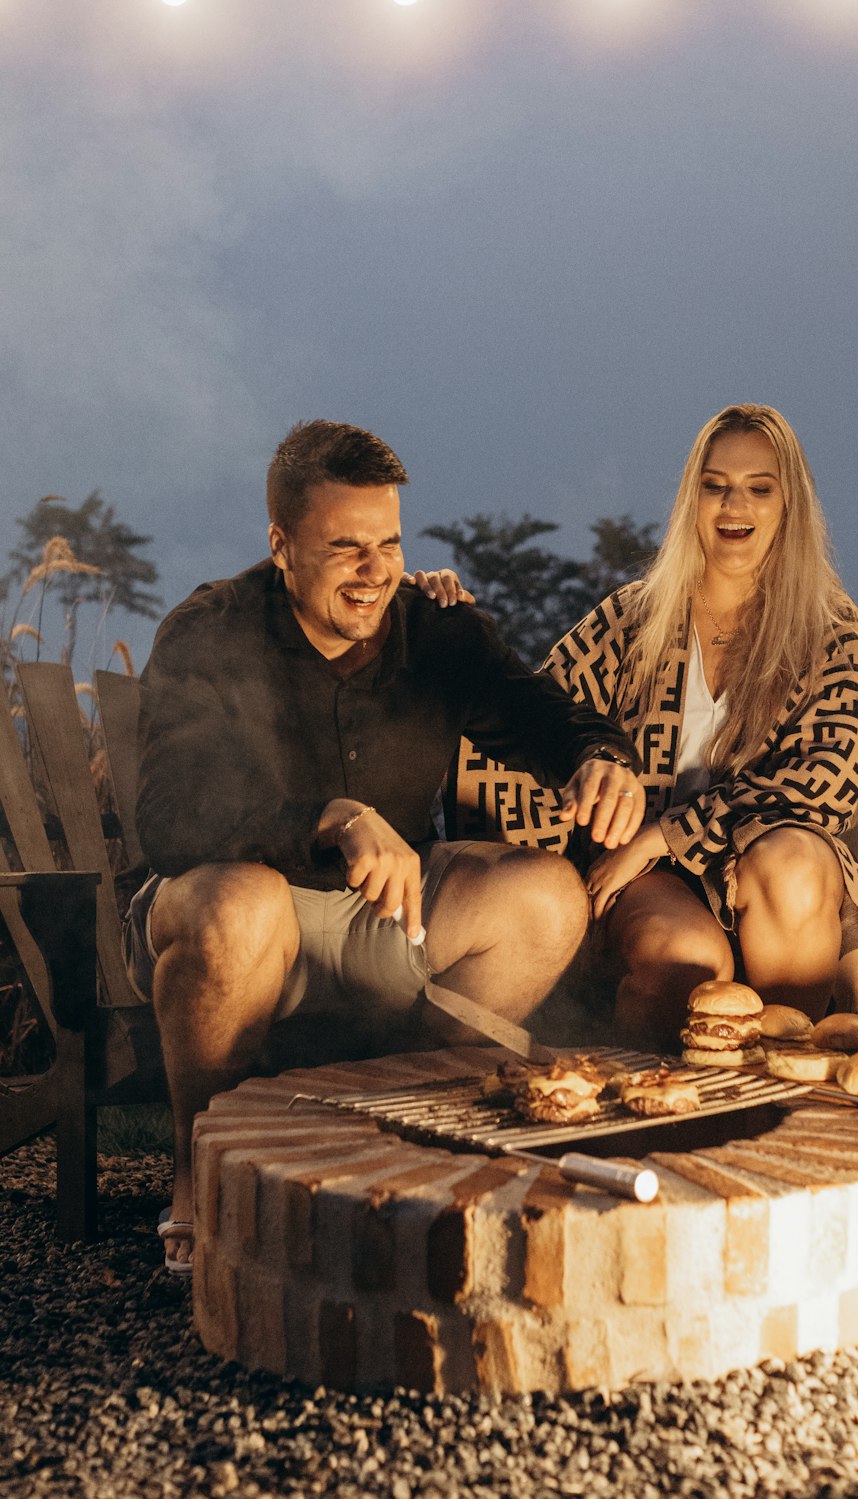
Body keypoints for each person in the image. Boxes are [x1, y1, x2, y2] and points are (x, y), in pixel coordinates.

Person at [128, 419, 644, 1273]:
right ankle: (200, 1172)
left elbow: (546, 714)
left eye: (389, 544)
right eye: (345, 548)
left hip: (387, 918)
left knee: (549, 895)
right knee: (237, 905)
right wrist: (331, 815)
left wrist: (600, 756)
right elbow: (170, 817)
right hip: (241, 909)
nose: (374, 572)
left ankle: (420, 1124)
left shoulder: (436, 630)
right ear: (282, 544)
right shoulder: (211, 630)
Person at [449, 403, 858, 1048]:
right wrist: (555, 868)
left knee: (791, 861)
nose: (736, 506)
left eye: (760, 488)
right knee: (689, 963)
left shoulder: (831, 627)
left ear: (788, 505)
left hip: (776, 866)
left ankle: (779, 1092)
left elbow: (826, 784)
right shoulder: (633, 620)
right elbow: (530, 726)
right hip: (648, 883)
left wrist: (662, 835)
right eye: (716, 486)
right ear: (692, 499)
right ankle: (647, 1122)